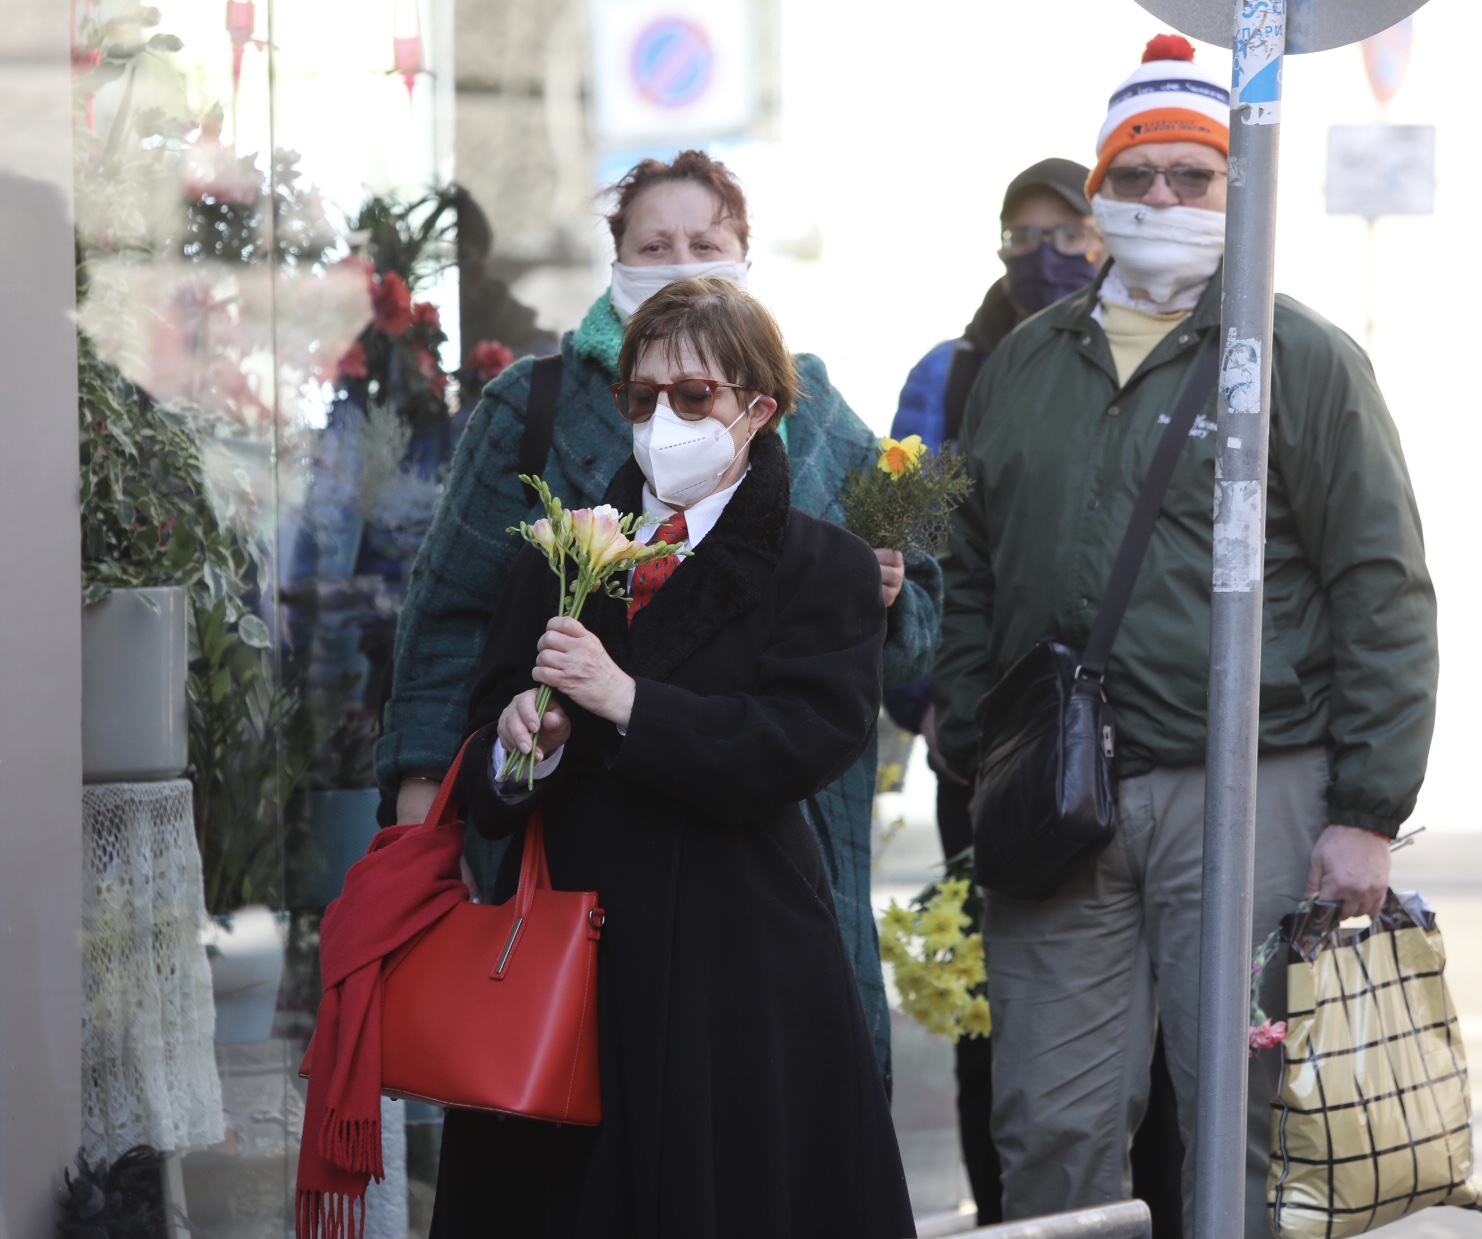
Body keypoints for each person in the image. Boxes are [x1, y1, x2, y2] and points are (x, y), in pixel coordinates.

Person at [930, 34, 1438, 1237]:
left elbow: (1383, 586)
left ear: (1237, 190)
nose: (1164, 199)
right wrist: (963, 714)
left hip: (1253, 790)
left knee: (1254, 1116)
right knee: (1049, 1122)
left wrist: (1367, 809)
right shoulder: (1021, 364)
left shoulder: (1301, 356)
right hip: (1059, 796)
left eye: (1194, 176)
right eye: (1139, 175)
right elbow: (971, 561)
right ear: (1099, 197)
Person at [376, 151, 941, 1087]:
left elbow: (913, 619)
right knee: (583, 1077)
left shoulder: (822, 411)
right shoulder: (539, 402)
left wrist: (887, 598)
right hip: (590, 834)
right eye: (655, 242)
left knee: (780, 1089)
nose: (682, 260)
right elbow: (450, 613)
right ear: (617, 261)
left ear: (745, 259)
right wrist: (430, 796)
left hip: (786, 834)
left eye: (706, 241)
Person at [430, 278, 916, 1238]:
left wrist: (626, 701)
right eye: (642, 398)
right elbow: (487, 754)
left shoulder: (823, 566)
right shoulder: (559, 551)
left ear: (757, 410)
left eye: (694, 397)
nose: (663, 418)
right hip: (575, 965)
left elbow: (799, 744)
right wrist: (523, 748)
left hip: (738, 968)